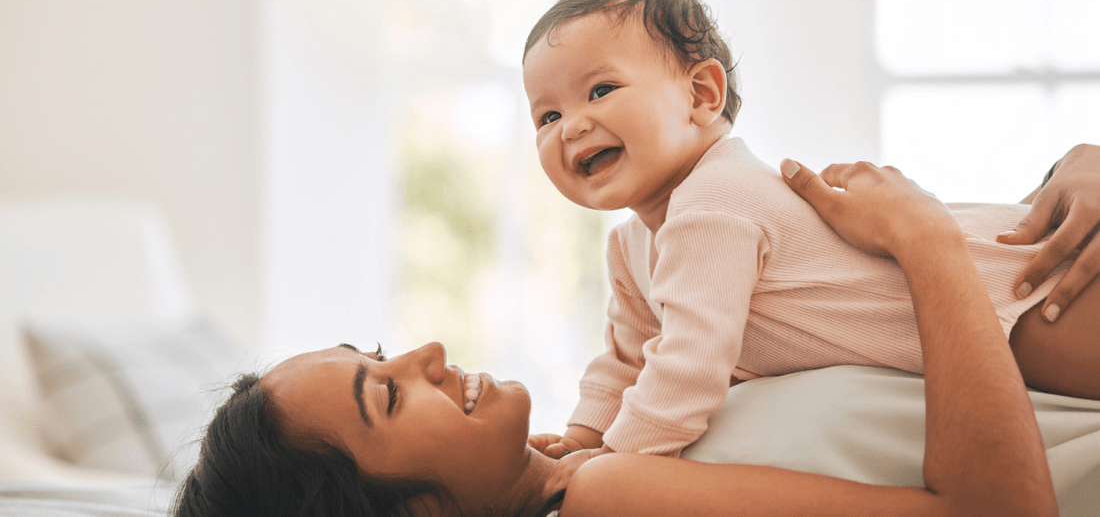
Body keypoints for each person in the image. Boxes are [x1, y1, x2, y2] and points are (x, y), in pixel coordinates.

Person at [171, 160, 1077, 517]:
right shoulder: (608, 494)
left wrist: (1064, 175)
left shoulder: (604, 455)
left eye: (379, 353)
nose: (427, 352)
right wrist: (923, 243)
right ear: (418, 515)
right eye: (388, 393)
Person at [521, 0, 1100, 469]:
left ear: (702, 94)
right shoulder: (632, 245)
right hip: (983, 312)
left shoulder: (714, 203)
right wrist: (582, 436)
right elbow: (629, 358)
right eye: (548, 115)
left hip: (1025, 293)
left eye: (601, 90)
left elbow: (688, 369)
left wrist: (613, 465)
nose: (570, 126)